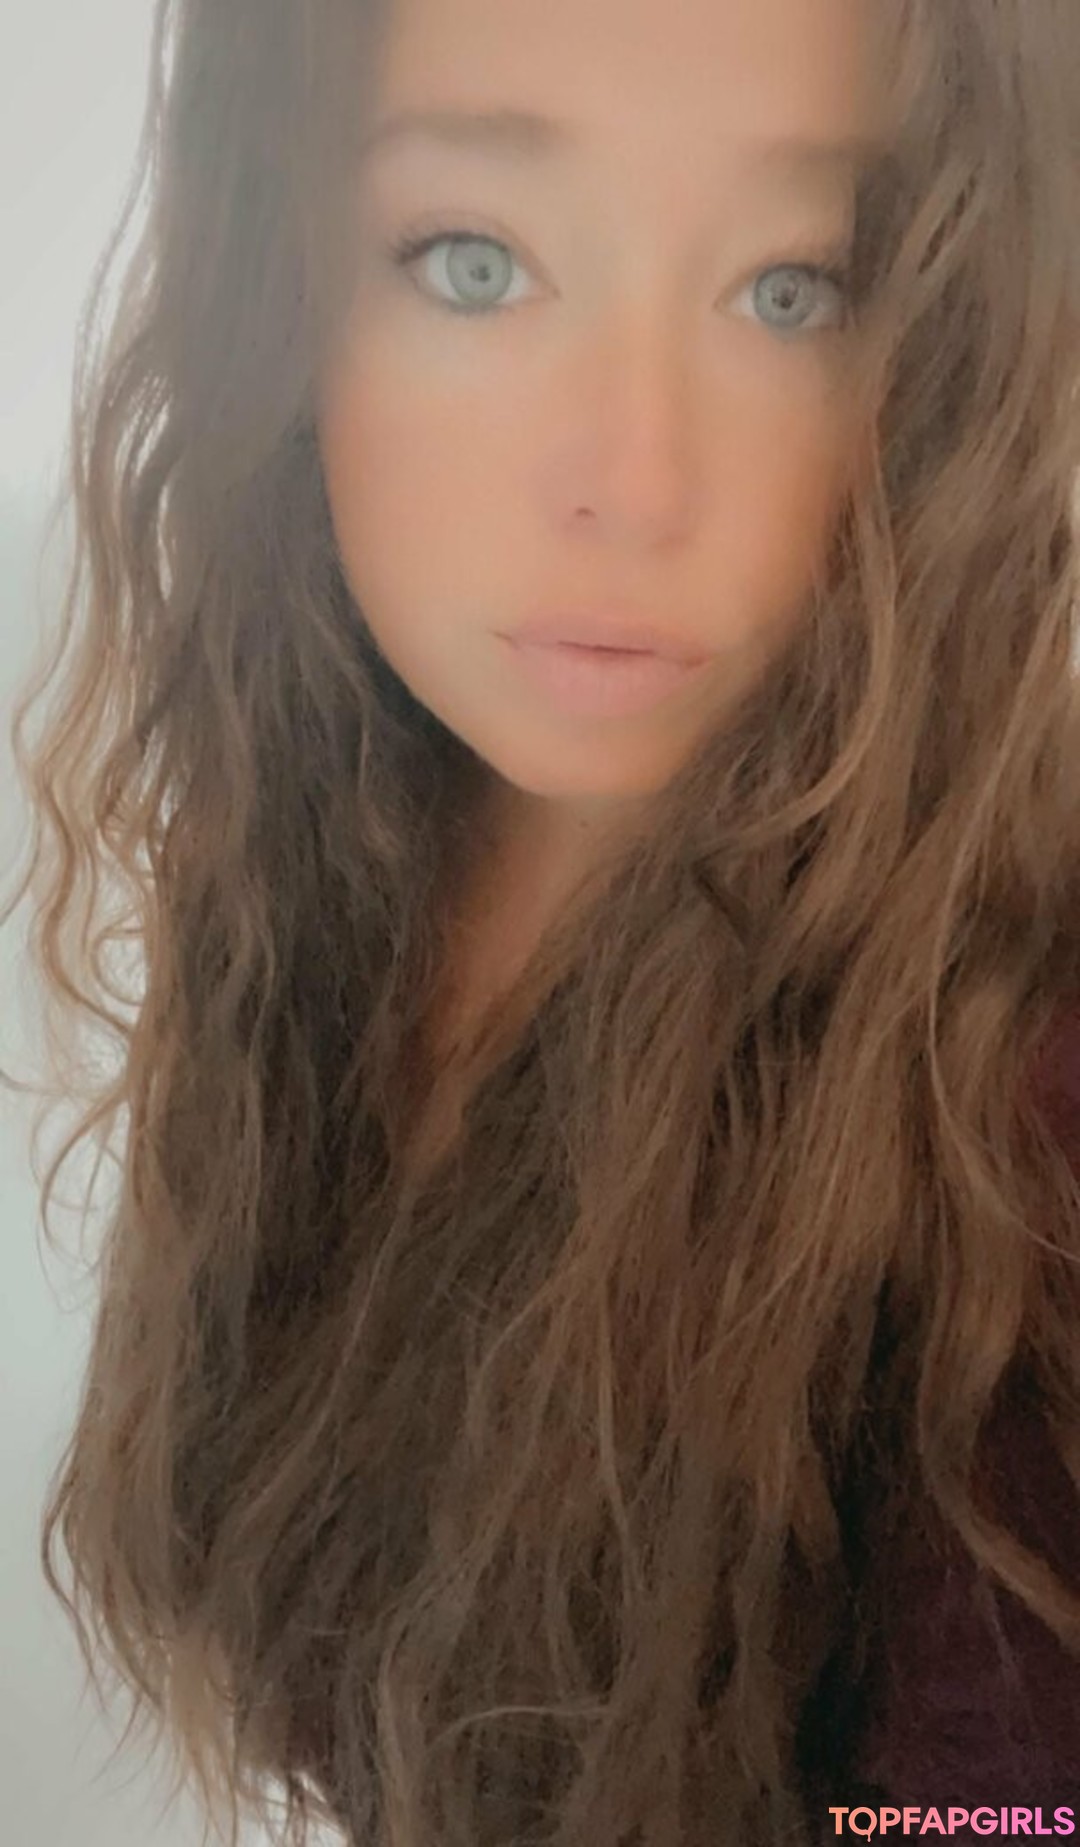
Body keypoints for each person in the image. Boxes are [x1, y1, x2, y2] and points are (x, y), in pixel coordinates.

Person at [4, 0, 1080, 1842]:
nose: (636, 483)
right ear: (278, 296)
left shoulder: (1021, 1117)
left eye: (798, 288)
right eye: (476, 263)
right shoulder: (325, 854)